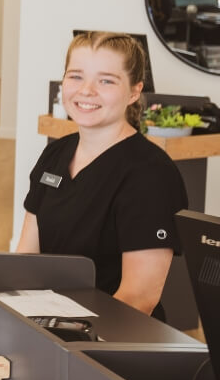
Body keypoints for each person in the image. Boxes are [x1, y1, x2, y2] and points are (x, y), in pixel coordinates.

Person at [15, 31, 187, 318]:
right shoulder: (55, 155)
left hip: (112, 340)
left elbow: (138, 298)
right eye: (76, 76)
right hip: (45, 322)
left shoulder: (151, 175)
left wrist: (63, 338)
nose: (86, 90)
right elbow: (25, 260)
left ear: (134, 91)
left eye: (106, 80)